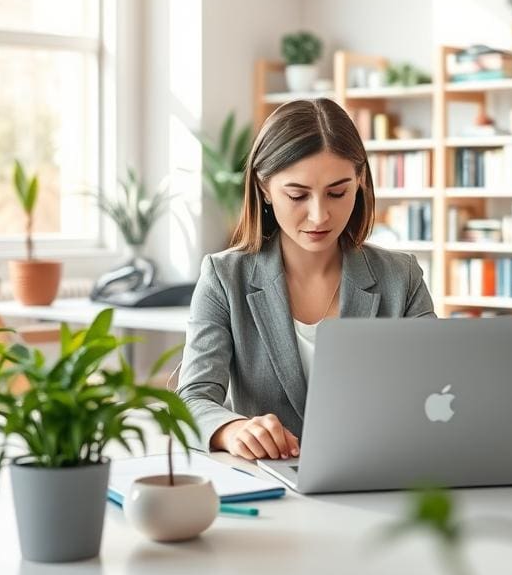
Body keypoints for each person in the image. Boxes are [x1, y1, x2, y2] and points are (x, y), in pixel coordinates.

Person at [177, 98, 435, 462]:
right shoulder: (223, 278)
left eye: (337, 192)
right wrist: (231, 429)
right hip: (272, 486)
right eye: (297, 195)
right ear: (264, 187)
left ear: (360, 181)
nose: (319, 215)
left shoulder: (401, 277)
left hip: (379, 475)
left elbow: (437, 386)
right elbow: (192, 399)